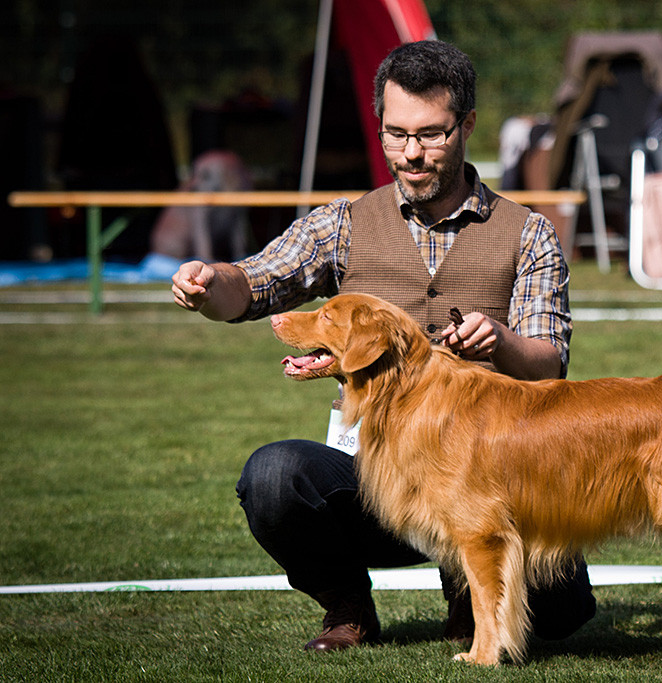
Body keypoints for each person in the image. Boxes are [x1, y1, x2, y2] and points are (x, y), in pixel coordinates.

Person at [171, 40, 596, 650]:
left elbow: (548, 365)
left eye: (431, 134)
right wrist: (210, 281)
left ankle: (466, 594)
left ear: (467, 124)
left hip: (490, 480)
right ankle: (347, 606)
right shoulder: (342, 223)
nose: (411, 154)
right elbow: (257, 282)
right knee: (273, 477)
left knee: (559, 613)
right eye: (395, 135)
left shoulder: (527, 233)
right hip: (377, 477)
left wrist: (501, 343)